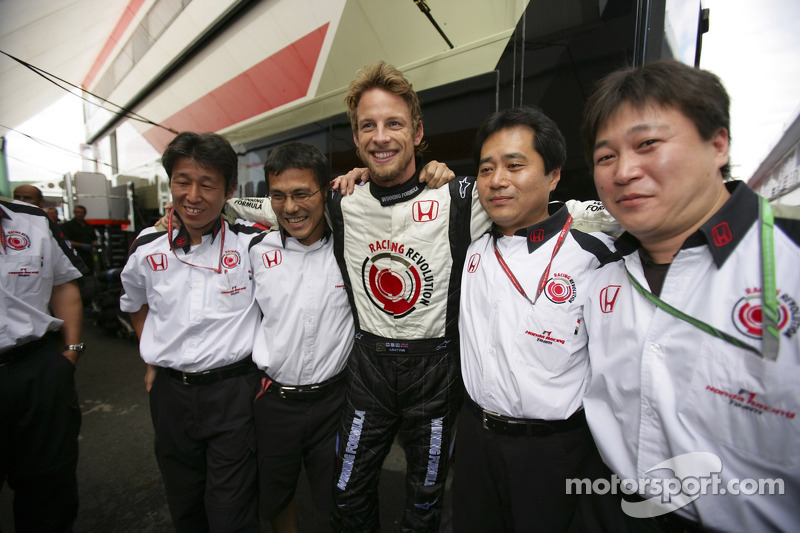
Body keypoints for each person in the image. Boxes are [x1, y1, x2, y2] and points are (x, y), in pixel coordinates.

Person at [226, 62, 615, 532]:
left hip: (436, 370)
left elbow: (567, 211)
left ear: (417, 131)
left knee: (425, 502)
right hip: (368, 364)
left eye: (394, 123)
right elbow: (272, 206)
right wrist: (189, 213)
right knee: (346, 492)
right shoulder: (339, 200)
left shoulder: (461, 196)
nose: (381, 136)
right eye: (368, 125)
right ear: (356, 137)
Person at [580, 59, 800, 532]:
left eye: (647, 145)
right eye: (605, 157)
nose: (624, 171)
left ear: (717, 144)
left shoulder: (788, 266)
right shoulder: (602, 279)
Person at [453, 106, 617, 532]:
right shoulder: (471, 251)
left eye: (515, 165)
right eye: (487, 169)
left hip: (552, 451)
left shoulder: (594, 257)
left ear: (554, 175)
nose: (497, 180)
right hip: (474, 440)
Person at [120, 132, 262, 532]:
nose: (193, 195)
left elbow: (307, 217)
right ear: (170, 183)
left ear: (229, 190)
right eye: (183, 181)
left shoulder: (254, 244)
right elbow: (135, 304)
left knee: (231, 513)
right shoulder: (147, 247)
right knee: (184, 506)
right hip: (171, 398)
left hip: (234, 393)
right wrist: (150, 355)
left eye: (208, 183)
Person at [248, 142, 355, 532]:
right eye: (278, 195)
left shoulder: (352, 246)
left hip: (335, 402)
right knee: (277, 493)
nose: (290, 207)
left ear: (325, 190)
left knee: (341, 495)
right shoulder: (256, 249)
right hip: (274, 402)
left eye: (301, 194)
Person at [1, 198, 88, 531]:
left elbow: (64, 283)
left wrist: (71, 352)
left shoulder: (33, 221)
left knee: (49, 492)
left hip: (36, 369)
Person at [61, 204, 99, 272]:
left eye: (82, 212)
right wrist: (81, 245)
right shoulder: (67, 226)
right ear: (74, 213)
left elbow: (94, 239)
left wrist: (94, 245)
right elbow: (66, 241)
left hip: (88, 256)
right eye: (78, 212)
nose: (80, 214)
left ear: (85, 214)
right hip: (75, 254)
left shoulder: (89, 226)